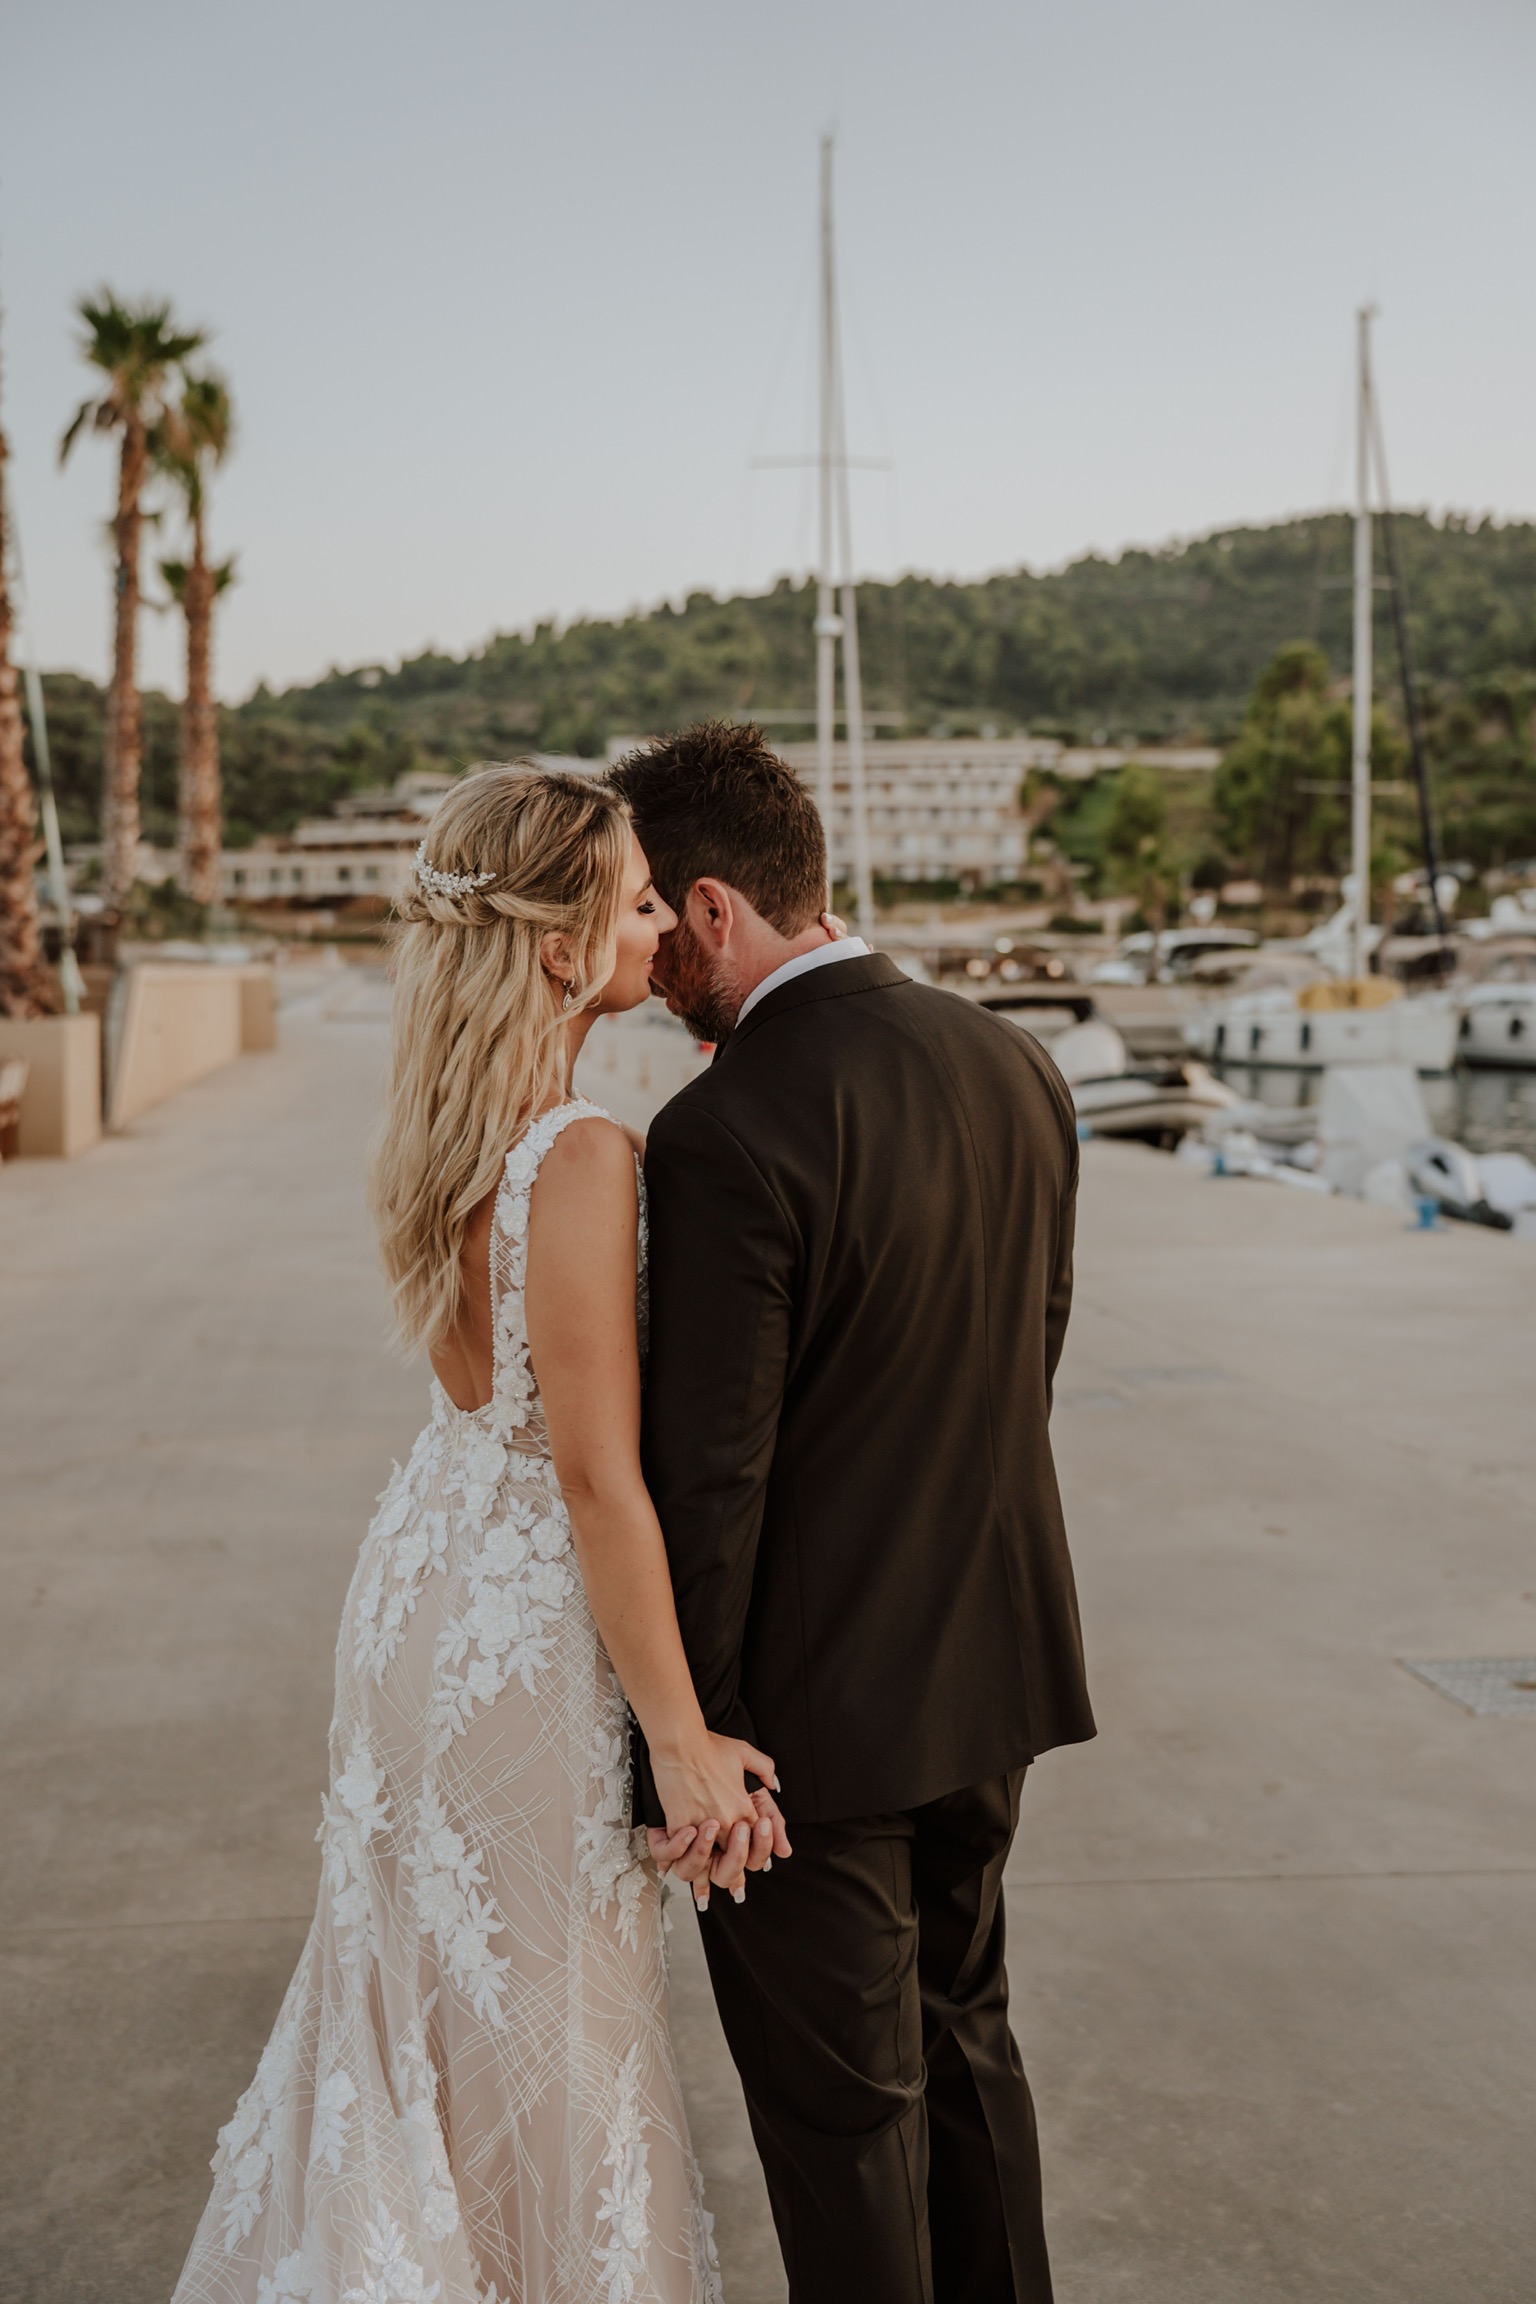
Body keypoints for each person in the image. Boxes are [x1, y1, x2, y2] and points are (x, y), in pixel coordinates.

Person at [170, 762, 787, 2304]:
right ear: (563, 943)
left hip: (423, 1593)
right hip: (516, 1648)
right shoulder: (577, 1155)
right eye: (636, 898)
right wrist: (685, 1737)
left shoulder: (446, 1133)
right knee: (548, 2035)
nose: (659, 923)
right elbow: (597, 1483)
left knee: (429, 2008)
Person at [609, 722, 1096, 2304]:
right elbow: (1029, 1360)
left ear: (712, 911)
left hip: (807, 1736)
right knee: (969, 2054)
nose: (648, 957)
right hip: (994, 1674)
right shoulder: (1017, 1061)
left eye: (644, 914)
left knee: (844, 2136)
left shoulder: (725, 1131)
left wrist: (694, 1743)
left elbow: (712, 1477)